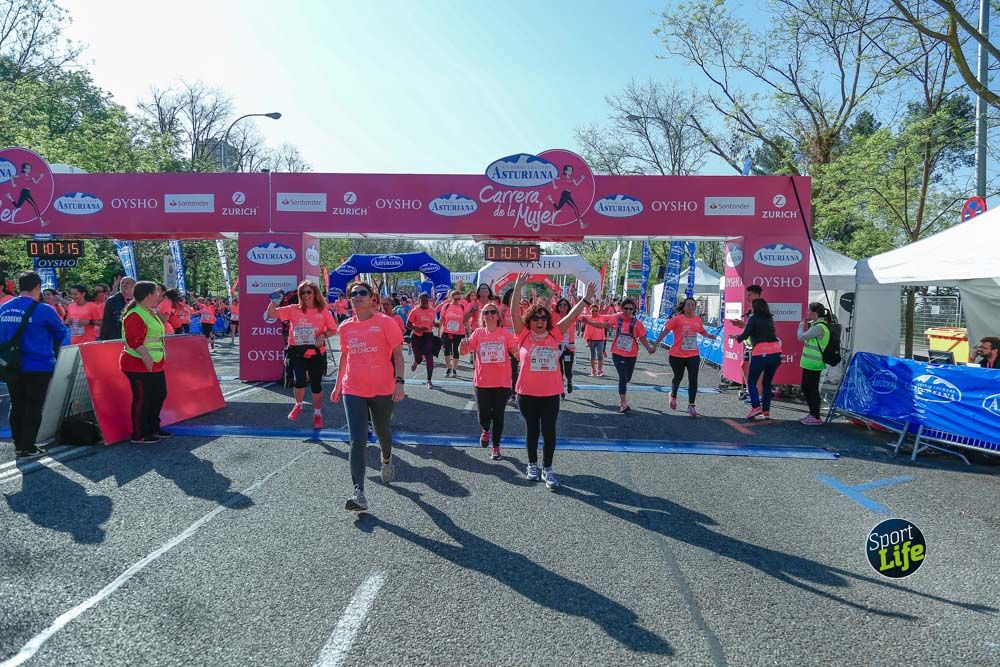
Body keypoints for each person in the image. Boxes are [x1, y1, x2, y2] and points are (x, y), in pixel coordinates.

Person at [511, 273, 595, 489]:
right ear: (529, 320)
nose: (539, 321)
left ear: (547, 320)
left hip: (550, 394)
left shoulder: (555, 334)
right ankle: (532, 465)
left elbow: (572, 316)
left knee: (549, 431)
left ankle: (547, 468)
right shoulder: (523, 334)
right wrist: (518, 288)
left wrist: (586, 299)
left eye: (543, 318)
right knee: (532, 430)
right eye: (535, 318)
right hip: (526, 393)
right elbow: (513, 313)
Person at [330, 280, 405, 512]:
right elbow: (345, 356)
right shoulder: (345, 327)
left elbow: (398, 354)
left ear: (372, 298)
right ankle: (358, 493)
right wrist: (337, 385)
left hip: (382, 388)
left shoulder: (385, 322)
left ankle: (386, 459)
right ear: (349, 299)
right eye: (354, 294)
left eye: (362, 292)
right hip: (352, 388)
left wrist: (399, 383)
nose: (358, 296)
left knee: (382, 432)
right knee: (357, 440)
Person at [0, 272, 68, 457]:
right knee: (33, 405)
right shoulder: (44, 309)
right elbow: (62, 333)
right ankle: (28, 446)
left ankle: (18, 445)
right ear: (37, 287)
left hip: (11, 365)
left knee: (16, 404)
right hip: (38, 365)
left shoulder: (5, 308)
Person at [268, 280, 337, 429]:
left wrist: (323, 335)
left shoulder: (323, 311)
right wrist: (274, 301)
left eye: (308, 292)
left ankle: (317, 414)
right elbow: (272, 314)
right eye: (302, 292)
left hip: (316, 352)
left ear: (315, 293)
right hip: (297, 352)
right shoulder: (293, 309)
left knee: (316, 385)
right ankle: (298, 405)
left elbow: (333, 329)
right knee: (299, 381)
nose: (305, 295)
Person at [459, 302, 518, 460]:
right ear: (482, 317)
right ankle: (486, 430)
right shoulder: (478, 333)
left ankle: (496, 447)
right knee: (483, 415)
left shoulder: (505, 333)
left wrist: (524, 354)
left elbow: (515, 351)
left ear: (498, 316)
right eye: (486, 312)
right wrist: (461, 346)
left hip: (502, 382)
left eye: (493, 312)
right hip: (482, 382)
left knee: (498, 415)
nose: (490, 315)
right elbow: (465, 351)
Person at [580, 297, 654, 414]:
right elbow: (604, 325)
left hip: (631, 354)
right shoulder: (617, 318)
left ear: (634, 310)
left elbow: (642, 337)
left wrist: (649, 348)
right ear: (622, 308)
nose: (628, 311)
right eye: (625, 308)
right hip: (617, 353)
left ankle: (623, 395)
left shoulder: (638, 324)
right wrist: (589, 322)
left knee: (627, 377)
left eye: (630, 309)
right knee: (623, 377)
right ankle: (623, 403)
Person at [120, 281, 171, 444]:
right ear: (148, 295)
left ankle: (153, 427)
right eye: (156, 292)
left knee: (159, 394)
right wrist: (146, 356)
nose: (159, 295)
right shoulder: (135, 314)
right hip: (138, 363)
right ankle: (139, 433)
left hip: (154, 362)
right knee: (143, 399)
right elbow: (134, 339)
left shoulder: (149, 312)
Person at [650, 297, 718, 417]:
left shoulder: (697, 319)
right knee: (678, 377)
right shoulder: (677, 319)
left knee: (693, 379)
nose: (690, 307)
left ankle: (691, 405)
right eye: (688, 305)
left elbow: (701, 330)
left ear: (695, 307)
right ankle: (673, 395)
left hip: (693, 354)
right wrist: (654, 345)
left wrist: (708, 335)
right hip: (677, 355)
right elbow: (664, 332)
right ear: (684, 307)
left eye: (692, 305)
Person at [732, 298, 783, 420]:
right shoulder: (769, 318)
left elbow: (745, 334)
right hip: (776, 352)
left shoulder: (753, 318)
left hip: (761, 352)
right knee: (767, 383)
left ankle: (756, 407)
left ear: (755, 308)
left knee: (751, 381)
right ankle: (766, 411)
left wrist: (737, 338)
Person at [797, 302, 832, 425]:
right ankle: (812, 414)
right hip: (809, 363)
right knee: (806, 388)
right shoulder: (816, 325)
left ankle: (816, 416)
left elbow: (801, 337)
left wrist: (801, 324)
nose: (807, 313)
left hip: (814, 364)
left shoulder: (819, 327)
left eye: (809, 311)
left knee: (812, 389)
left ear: (814, 313)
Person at [730, 284, 764, 401]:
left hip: (757, 344)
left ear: (757, 295)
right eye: (747, 295)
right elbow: (750, 328)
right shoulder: (752, 309)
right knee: (744, 366)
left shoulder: (761, 309)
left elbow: (759, 327)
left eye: (750, 295)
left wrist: (742, 330)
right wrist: (742, 325)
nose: (747, 297)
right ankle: (750, 392)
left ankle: (759, 395)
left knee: (756, 371)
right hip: (749, 344)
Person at [406, 292, 437, 388]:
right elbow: (408, 324)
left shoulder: (432, 311)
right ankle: (416, 361)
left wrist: (436, 324)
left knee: (430, 359)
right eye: (422, 300)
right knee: (419, 359)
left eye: (426, 300)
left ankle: (429, 381)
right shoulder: (415, 311)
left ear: (429, 300)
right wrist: (418, 329)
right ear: (419, 301)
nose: (424, 302)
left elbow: (432, 322)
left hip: (428, 336)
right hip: (416, 336)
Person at [437, 290, 467, 378]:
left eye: (459, 299)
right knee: (447, 350)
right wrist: (439, 331)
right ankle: (448, 368)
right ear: (451, 298)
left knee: (456, 350)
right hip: (447, 331)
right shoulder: (446, 306)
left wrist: (468, 331)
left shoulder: (462, 307)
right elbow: (441, 319)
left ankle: (454, 369)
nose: (457, 300)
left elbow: (465, 320)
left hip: (459, 332)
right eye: (455, 299)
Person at [553, 297, 578, 398]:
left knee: (568, 369)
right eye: (560, 305)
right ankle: (561, 389)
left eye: (564, 305)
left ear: (568, 307)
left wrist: (574, 295)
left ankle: (569, 380)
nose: (562, 307)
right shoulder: (554, 316)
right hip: (557, 347)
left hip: (569, 347)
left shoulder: (571, 316)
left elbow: (578, 308)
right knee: (559, 370)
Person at [582, 302, 607, 377]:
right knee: (593, 355)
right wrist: (587, 339)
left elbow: (611, 316)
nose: (594, 312)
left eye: (596, 310)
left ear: (598, 311)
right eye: (593, 311)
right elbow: (578, 317)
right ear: (590, 311)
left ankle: (600, 370)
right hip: (591, 339)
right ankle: (593, 370)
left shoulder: (602, 317)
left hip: (600, 339)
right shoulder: (588, 318)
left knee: (600, 355)